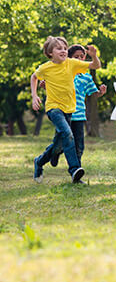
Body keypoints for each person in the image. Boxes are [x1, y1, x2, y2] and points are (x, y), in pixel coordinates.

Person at [31, 36, 101, 183]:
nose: (63, 50)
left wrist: (94, 56)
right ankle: (75, 170)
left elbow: (95, 66)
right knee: (68, 135)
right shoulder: (46, 67)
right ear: (50, 53)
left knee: (59, 145)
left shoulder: (72, 64)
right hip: (54, 108)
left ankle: (39, 161)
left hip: (69, 109)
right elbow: (34, 77)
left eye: (64, 48)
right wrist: (34, 95)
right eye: (59, 48)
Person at [49, 44, 107, 169]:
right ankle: (55, 153)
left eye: (82, 56)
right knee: (59, 144)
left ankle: (76, 171)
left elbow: (93, 93)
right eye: (76, 57)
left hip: (79, 115)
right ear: (69, 58)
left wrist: (100, 92)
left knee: (79, 146)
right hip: (63, 114)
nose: (80, 59)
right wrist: (45, 85)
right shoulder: (63, 72)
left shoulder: (86, 76)